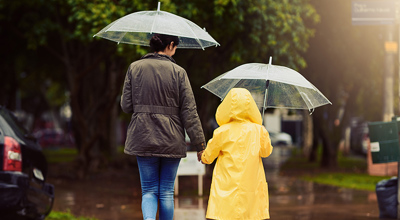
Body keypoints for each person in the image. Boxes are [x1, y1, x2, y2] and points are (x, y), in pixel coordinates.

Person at [120, 33, 206, 220]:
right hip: (171, 138)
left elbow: (126, 106)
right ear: (171, 45)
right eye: (176, 47)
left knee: (149, 190)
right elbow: (189, 112)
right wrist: (200, 145)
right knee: (166, 191)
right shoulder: (179, 73)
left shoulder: (134, 68)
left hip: (142, 135)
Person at [198, 88, 273, 220]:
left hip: (226, 188)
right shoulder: (259, 131)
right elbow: (266, 152)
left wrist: (203, 157)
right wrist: (264, 134)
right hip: (251, 189)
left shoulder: (222, 132)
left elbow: (208, 157)